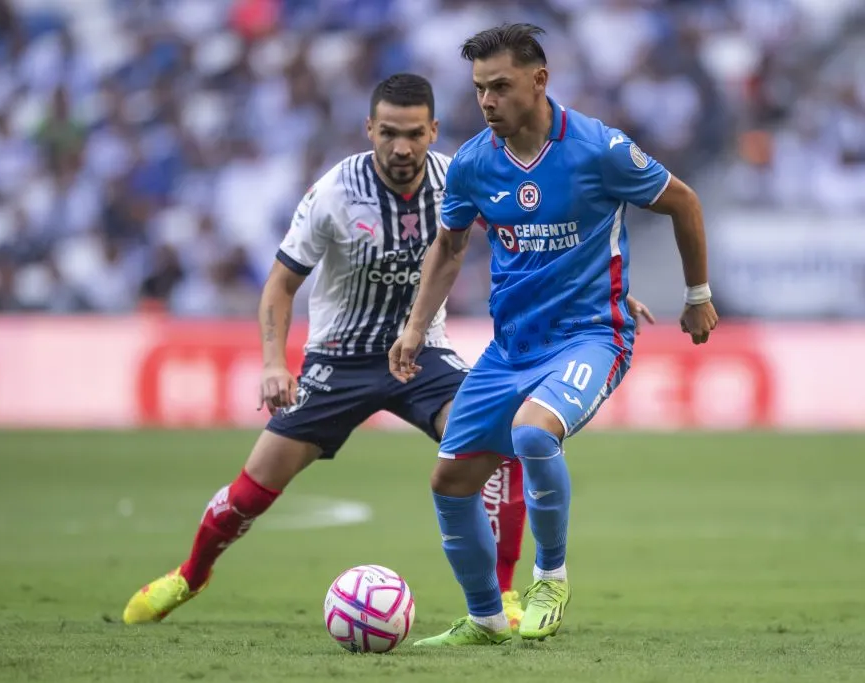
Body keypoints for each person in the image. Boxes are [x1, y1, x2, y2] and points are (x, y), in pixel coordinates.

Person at [121, 74, 620, 626]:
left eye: (413, 134)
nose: (401, 147)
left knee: (499, 448)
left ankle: (502, 596)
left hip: (423, 355)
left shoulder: (460, 177)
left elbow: (535, 235)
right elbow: (281, 284)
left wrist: (599, 291)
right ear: (369, 129)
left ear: (433, 130)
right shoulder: (335, 193)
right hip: (339, 359)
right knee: (254, 488)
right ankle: (190, 575)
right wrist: (273, 363)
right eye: (389, 133)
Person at [389, 24, 717, 647]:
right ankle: (486, 618)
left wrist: (697, 295)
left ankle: (549, 580)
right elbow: (449, 248)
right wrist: (414, 326)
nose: (487, 101)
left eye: (500, 86)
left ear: (539, 80)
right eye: (480, 89)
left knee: (533, 432)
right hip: (511, 347)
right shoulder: (473, 164)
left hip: (592, 336)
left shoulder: (599, 149)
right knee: (450, 483)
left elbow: (685, 203)